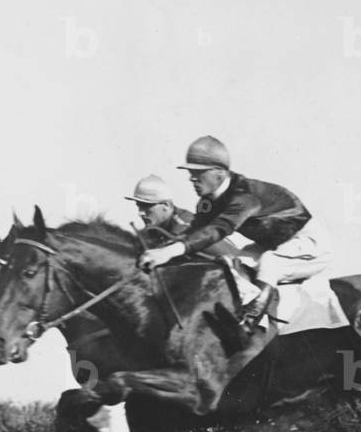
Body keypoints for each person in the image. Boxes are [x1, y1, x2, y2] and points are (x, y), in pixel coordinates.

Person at [138, 136, 330, 330]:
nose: (191, 178)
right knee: (234, 263)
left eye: (198, 172)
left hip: (309, 241)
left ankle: (252, 325)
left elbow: (217, 230)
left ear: (219, 172)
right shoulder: (207, 202)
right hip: (272, 243)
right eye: (190, 172)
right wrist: (161, 250)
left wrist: (169, 253)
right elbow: (194, 235)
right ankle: (247, 316)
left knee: (271, 262)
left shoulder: (244, 196)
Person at [124, 175, 193, 236]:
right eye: (139, 206)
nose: (141, 213)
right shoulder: (155, 226)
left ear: (166, 205)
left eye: (146, 206)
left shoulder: (185, 225)